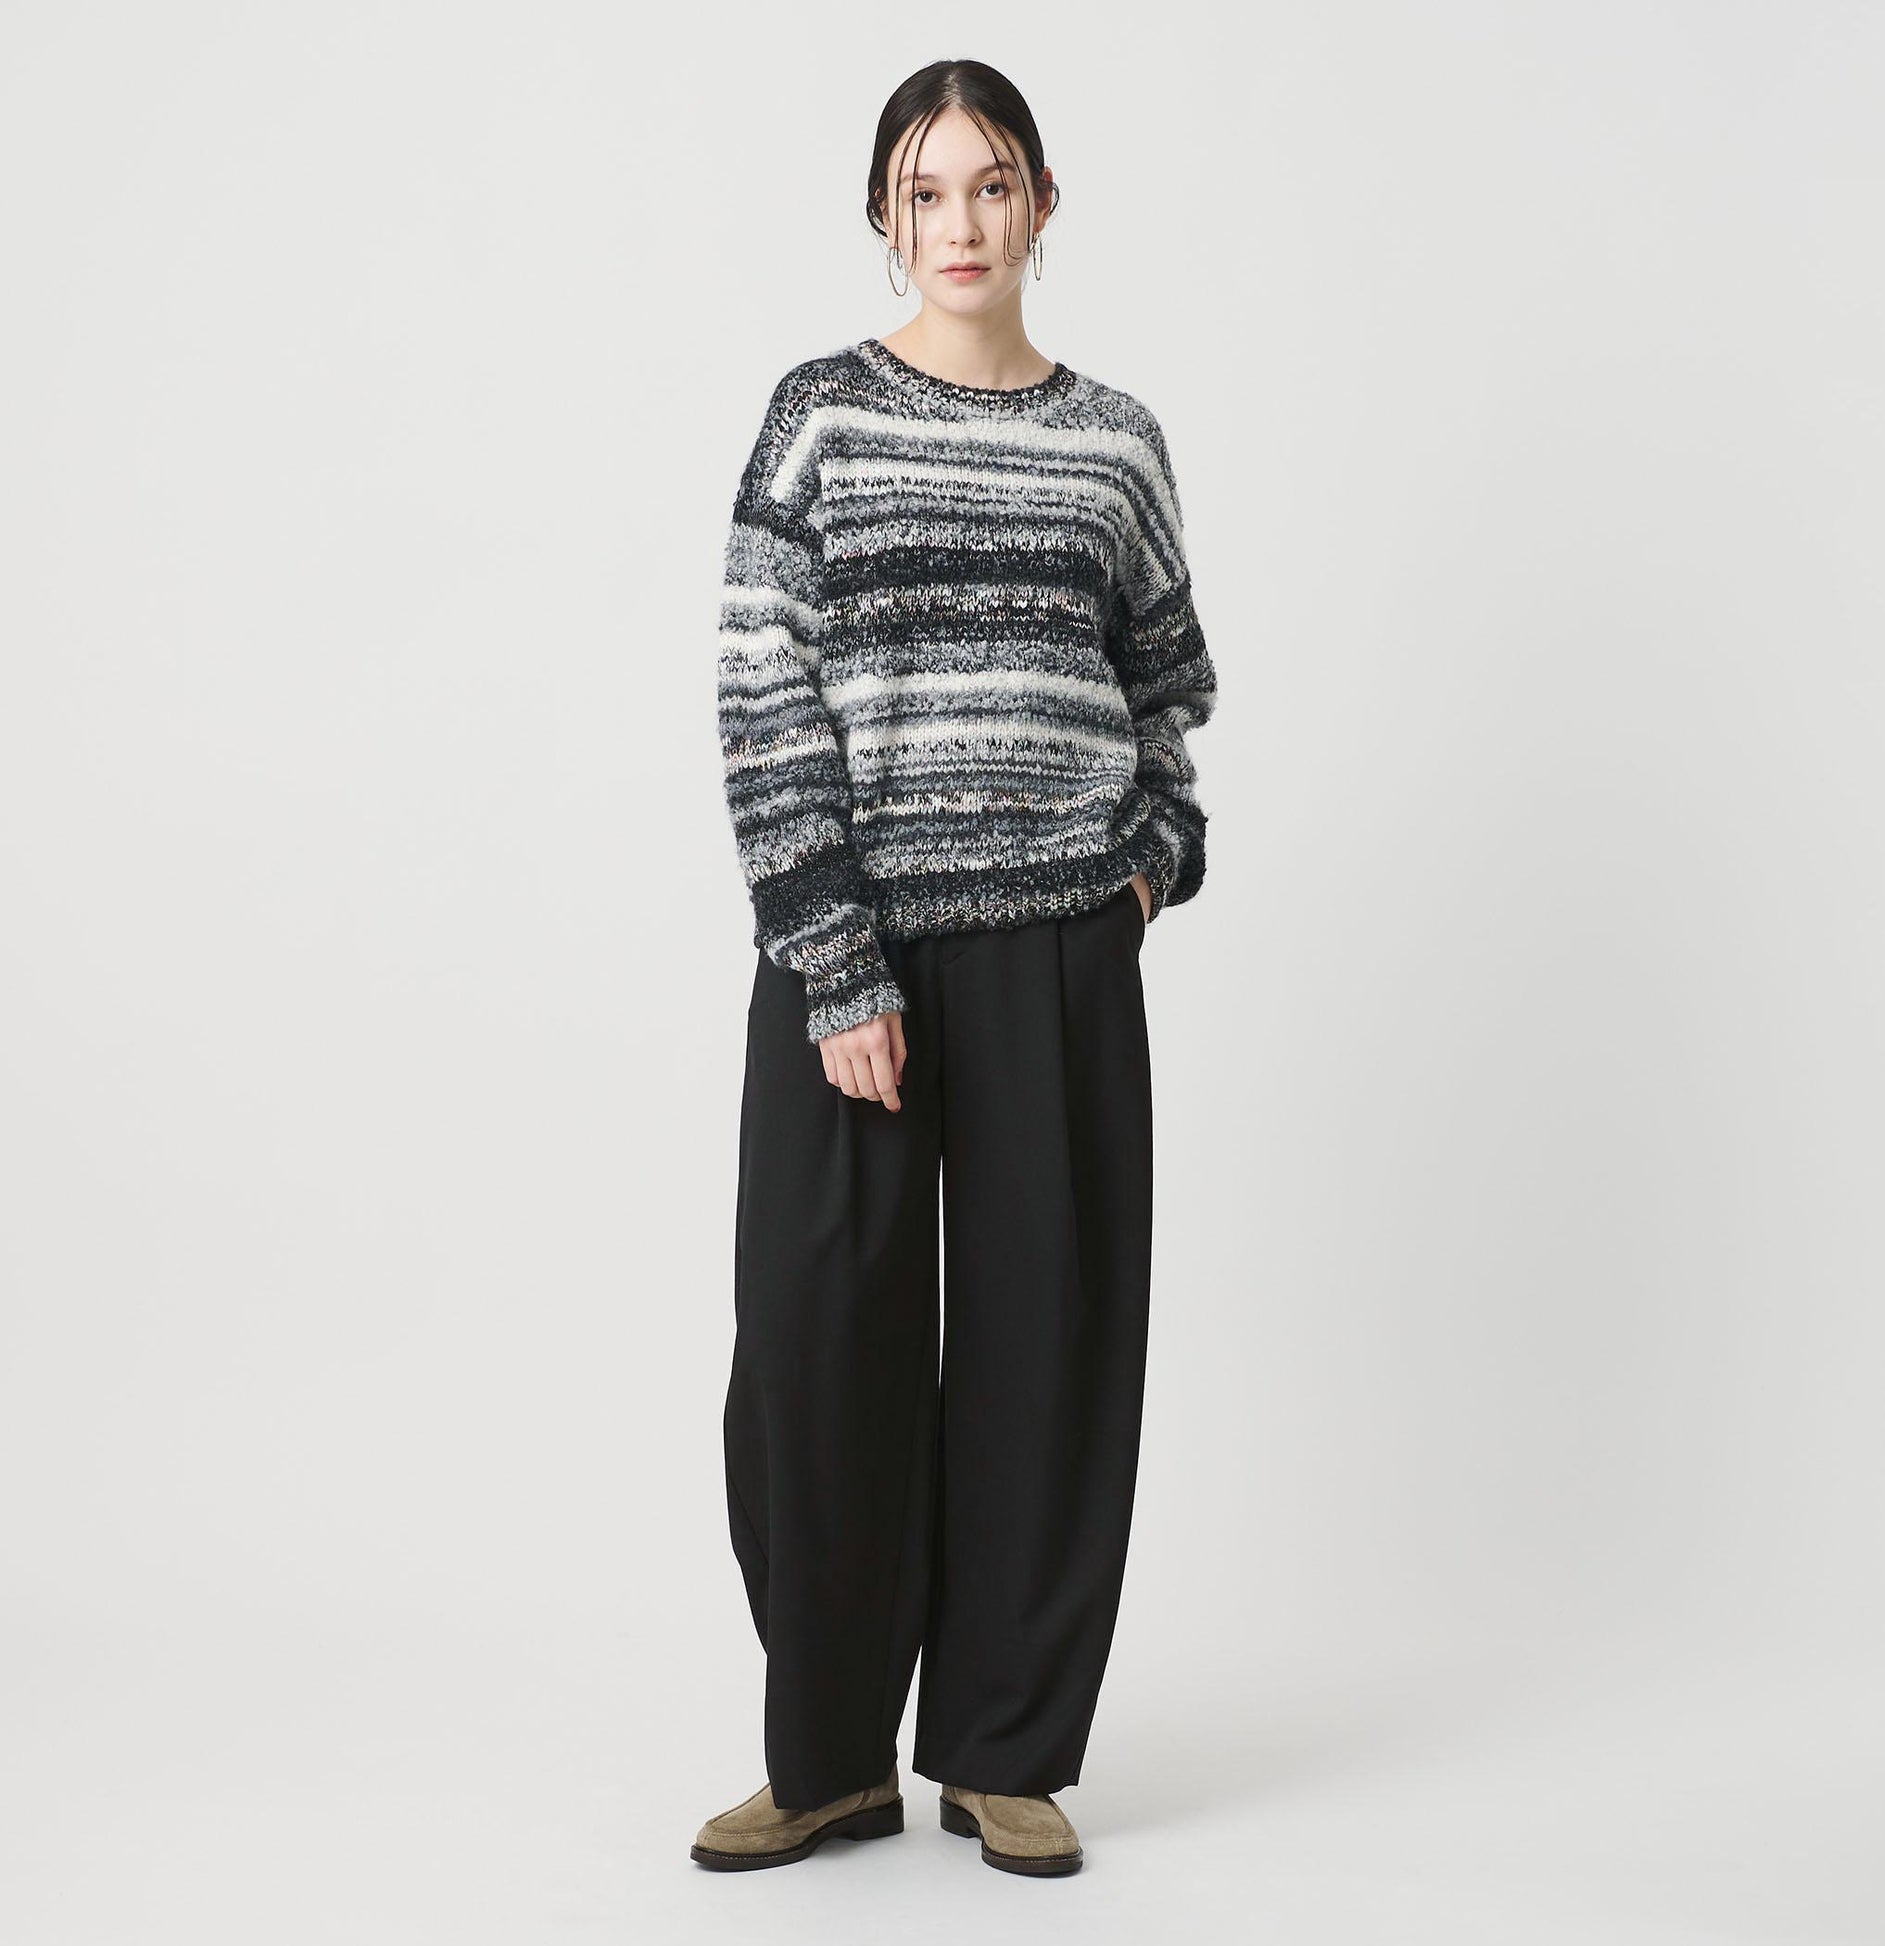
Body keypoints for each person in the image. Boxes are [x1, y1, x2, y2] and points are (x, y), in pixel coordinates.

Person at [691, 58, 1218, 1879]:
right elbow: (761, 688)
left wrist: (1145, 869)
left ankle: (1004, 1744)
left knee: (1043, 1348)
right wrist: (836, 959)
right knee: (815, 1345)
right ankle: (829, 1755)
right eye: (926, 192)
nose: (961, 223)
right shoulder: (819, 418)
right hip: (857, 948)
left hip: (1059, 947)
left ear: (1043, 205)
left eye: (992, 185)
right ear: (883, 217)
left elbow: (1168, 691)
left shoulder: (1115, 441)